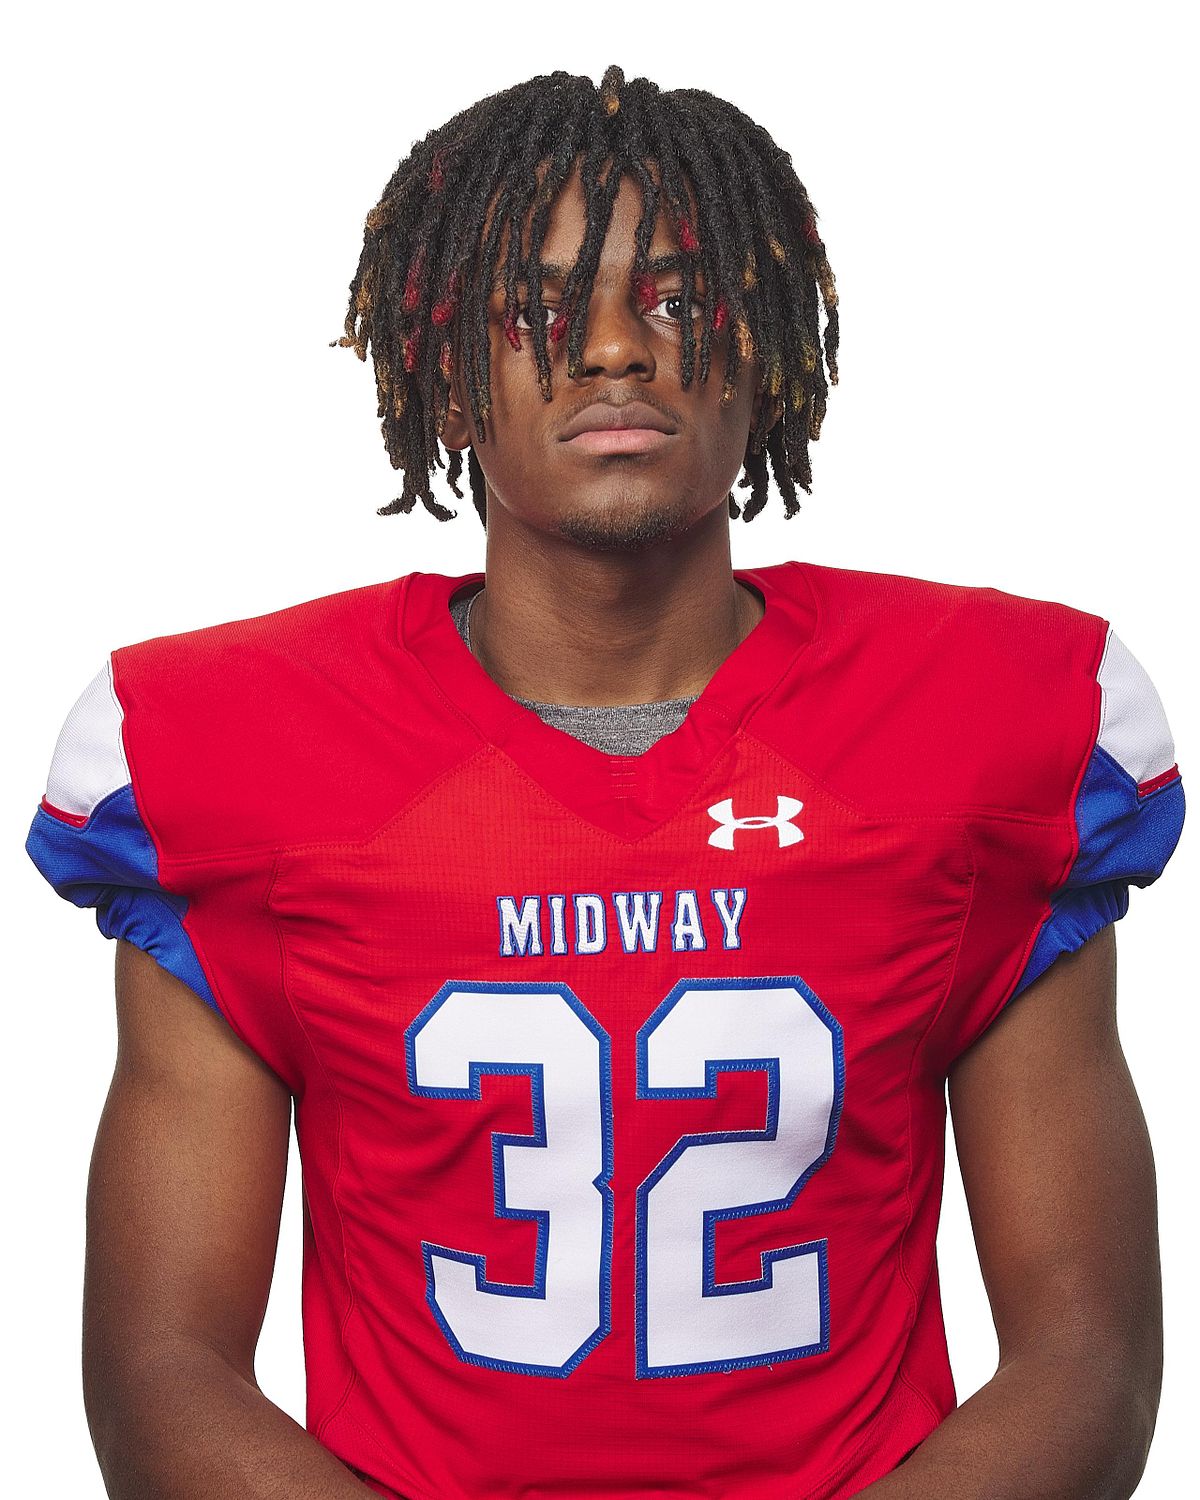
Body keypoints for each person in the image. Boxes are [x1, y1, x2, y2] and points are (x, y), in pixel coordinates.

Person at [25, 64, 1184, 1500]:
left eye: (683, 299)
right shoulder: (237, 747)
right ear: (439, 368)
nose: (616, 351)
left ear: (772, 350)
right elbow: (160, 1371)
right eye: (537, 311)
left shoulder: (984, 723)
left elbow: (1090, 1356)